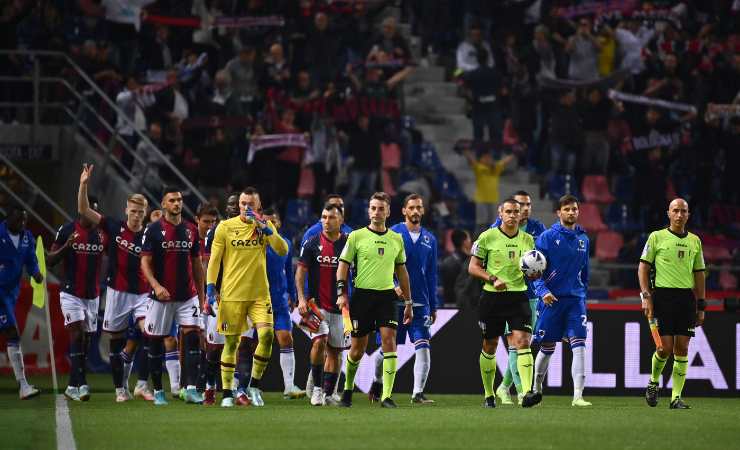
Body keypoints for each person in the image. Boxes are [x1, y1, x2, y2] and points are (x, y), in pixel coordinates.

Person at [205, 187, 288, 408]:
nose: (246, 208)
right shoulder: (225, 227)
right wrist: (210, 287)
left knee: (267, 336)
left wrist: (266, 229)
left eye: (250, 204)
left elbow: (283, 250)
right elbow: (214, 260)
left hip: (260, 295)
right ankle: (227, 394)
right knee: (231, 343)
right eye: (243, 203)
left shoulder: (264, 227)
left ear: (258, 207)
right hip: (232, 295)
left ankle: (253, 385)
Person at [77, 164, 151, 403]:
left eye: (141, 212)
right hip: (117, 292)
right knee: (116, 342)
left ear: (145, 213)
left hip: (142, 294)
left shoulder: (150, 235)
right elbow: (84, 209)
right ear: (126, 209)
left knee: (150, 334)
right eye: (133, 211)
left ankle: (141, 384)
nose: (137, 215)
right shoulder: (114, 226)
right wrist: (83, 184)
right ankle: (120, 389)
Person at [336, 192, 412, 408]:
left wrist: (408, 302)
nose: (377, 212)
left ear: (388, 211)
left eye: (381, 208)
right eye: (373, 208)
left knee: (390, 342)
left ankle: (386, 396)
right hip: (362, 297)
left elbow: (402, 272)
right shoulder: (356, 236)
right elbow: (342, 266)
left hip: (387, 297)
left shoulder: (396, 239)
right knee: (358, 349)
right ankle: (348, 390)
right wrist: (342, 293)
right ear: (368, 211)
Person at [468, 198, 538, 408]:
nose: (512, 215)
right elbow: (473, 267)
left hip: (518, 296)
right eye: (508, 211)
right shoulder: (487, 237)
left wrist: (533, 275)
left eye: (516, 211)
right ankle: (489, 394)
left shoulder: (528, 240)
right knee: (490, 345)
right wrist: (492, 278)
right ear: (500, 214)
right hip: (492, 298)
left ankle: (526, 393)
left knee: (523, 342)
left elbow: (530, 268)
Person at [369, 194, 438, 404]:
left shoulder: (430, 239)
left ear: (423, 211)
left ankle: (417, 393)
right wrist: (394, 286)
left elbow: (432, 274)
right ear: (404, 211)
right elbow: (382, 264)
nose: (416, 211)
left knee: (423, 346)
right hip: (392, 301)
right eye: (412, 208)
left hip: (420, 303)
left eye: (419, 207)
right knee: (388, 348)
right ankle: (377, 380)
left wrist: (433, 305)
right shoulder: (393, 233)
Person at [140, 187, 205, 406]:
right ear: (163, 204)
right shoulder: (153, 230)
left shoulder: (191, 230)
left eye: (179, 200)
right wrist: (156, 286)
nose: (177, 203)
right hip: (162, 297)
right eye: (172, 200)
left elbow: (196, 265)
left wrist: (202, 298)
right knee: (156, 342)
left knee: (193, 336)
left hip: (188, 296)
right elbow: (145, 262)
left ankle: (190, 389)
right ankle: (158, 390)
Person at [639, 198, 705, 410]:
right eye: (675, 211)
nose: (679, 215)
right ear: (668, 213)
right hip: (662, 297)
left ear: (688, 215)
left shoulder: (695, 240)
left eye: (683, 211)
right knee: (664, 348)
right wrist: (646, 296)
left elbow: (700, 273)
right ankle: (653, 382)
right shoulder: (656, 237)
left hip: (686, 298)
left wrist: (701, 304)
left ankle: (676, 398)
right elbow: (643, 269)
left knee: (683, 349)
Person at [530, 195, 591, 407]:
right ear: (558, 212)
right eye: (567, 209)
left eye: (574, 209)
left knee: (579, 344)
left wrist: (584, 294)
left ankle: (578, 396)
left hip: (575, 300)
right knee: (547, 348)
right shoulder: (546, 237)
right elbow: (533, 270)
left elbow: (585, 273)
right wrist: (542, 291)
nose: (571, 212)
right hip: (551, 300)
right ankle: (536, 388)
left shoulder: (584, 239)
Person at [48, 195, 106, 402]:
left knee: (86, 341)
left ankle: (74, 384)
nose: (95, 215)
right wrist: (67, 246)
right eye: (91, 210)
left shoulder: (101, 233)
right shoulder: (66, 230)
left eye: (97, 211)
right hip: (71, 293)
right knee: (78, 334)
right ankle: (81, 383)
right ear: (82, 210)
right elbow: (49, 260)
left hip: (92, 295)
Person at [490, 191, 546, 405]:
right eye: (520, 205)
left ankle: (504, 387)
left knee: (524, 343)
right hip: (506, 294)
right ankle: (523, 392)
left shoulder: (537, 228)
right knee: (515, 342)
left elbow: (541, 258)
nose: (524, 209)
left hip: (530, 294)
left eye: (528, 205)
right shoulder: (497, 228)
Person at [295, 203, 349, 406]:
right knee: (319, 343)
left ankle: (328, 393)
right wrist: (301, 298)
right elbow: (300, 273)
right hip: (316, 306)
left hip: (340, 308)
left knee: (335, 352)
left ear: (341, 221)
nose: (327, 221)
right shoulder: (311, 243)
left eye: (332, 217)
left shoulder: (349, 244)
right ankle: (317, 390)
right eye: (324, 217)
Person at [0, 205, 43, 399]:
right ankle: (23, 386)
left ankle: (23, 385)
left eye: (25, 220)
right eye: (19, 220)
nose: (22, 223)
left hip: (11, 293)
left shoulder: (27, 237)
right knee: (13, 333)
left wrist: (36, 273)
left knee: (11, 334)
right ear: (8, 218)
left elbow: (31, 259)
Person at [202, 194, 239, 405]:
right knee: (215, 346)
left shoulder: (248, 229)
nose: (234, 207)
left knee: (235, 344)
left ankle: (233, 389)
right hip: (220, 296)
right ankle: (209, 387)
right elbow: (208, 263)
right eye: (232, 204)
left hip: (241, 296)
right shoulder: (216, 231)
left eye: (238, 204)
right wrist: (211, 290)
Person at [262, 208, 303, 399]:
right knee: (248, 344)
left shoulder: (285, 244)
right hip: (257, 301)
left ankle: (289, 387)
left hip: (279, 301)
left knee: (286, 338)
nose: (270, 225)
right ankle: (240, 386)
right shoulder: (256, 244)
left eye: (273, 221)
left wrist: (292, 295)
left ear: (278, 224)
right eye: (266, 221)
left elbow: (289, 271)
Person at [194, 203, 218, 396]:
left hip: (212, 298)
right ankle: (189, 384)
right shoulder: (191, 239)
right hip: (192, 296)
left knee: (210, 341)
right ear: (197, 220)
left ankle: (205, 384)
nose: (209, 225)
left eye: (213, 222)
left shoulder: (218, 239)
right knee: (194, 340)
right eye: (205, 221)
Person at [463, 147, 515, 234]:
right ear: (481, 159)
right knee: (480, 224)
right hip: (481, 199)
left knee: (492, 224)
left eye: (489, 157)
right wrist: (466, 152)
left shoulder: (496, 168)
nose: (488, 159)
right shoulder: (479, 168)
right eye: (485, 157)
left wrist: (514, 154)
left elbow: (505, 162)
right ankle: (478, 242)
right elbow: (471, 160)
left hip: (493, 200)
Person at [440, 229, 472, 308]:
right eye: (469, 238)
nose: (471, 241)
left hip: (448, 306)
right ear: (464, 242)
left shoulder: (446, 261)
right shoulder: (468, 263)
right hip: (463, 307)